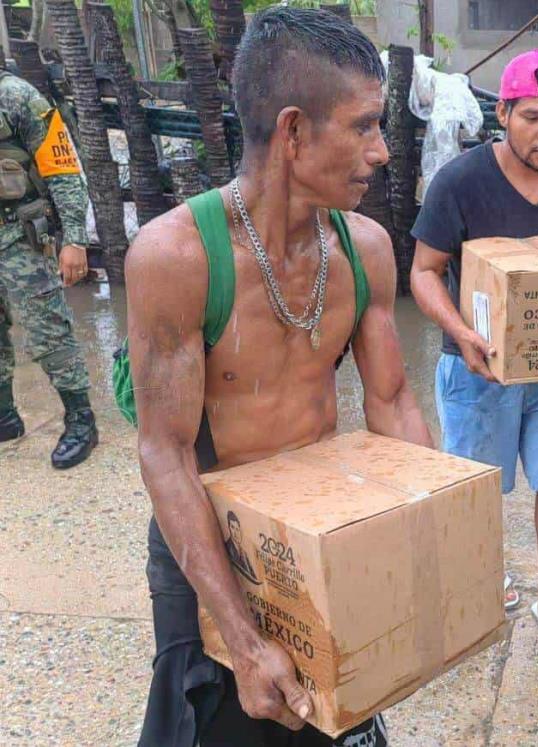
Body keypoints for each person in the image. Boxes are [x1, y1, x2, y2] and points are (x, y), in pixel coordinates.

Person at [127, 8, 431, 746]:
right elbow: (164, 451)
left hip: (319, 540)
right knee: (214, 724)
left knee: (340, 724)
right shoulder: (177, 258)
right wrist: (242, 633)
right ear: (293, 132)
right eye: (362, 126)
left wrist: (426, 545)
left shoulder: (365, 247)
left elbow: (390, 401)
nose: (382, 151)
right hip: (210, 551)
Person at [409, 49, 538, 658]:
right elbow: (423, 271)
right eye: (532, 116)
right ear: (501, 112)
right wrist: (462, 332)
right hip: (476, 369)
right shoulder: (461, 180)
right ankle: (479, 580)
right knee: (476, 489)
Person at [0, 68, 97, 468]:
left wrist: (75, 239)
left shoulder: (18, 97)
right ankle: (5, 417)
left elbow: (63, 169)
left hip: (18, 235)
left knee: (48, 331)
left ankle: (81, 421)